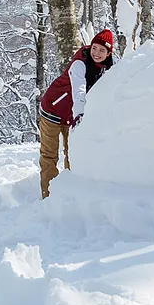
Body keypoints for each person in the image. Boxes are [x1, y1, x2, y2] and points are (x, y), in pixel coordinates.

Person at [38, 29, 115, 199]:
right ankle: (48, 198)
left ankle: (70, 197)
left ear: (109, 53)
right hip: (53, 109)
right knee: (49, 155)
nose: (97, 53)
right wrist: (80, 114)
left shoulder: (110, 66)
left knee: (73, 154)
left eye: (102, 50)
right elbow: (79, 90)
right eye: (95, 48)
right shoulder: (80, 63)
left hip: (71, 115)